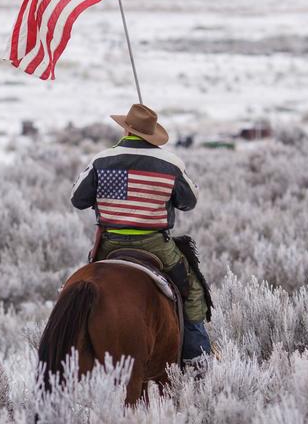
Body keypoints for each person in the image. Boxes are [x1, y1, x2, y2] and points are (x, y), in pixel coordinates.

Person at [70, 103, 213, 367]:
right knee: (192, 289)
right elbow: (189, 201)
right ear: (151, 133)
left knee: (82, 287)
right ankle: (197, 357)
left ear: (126, 129)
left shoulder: (101, 160)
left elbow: (77, 199)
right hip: (155, 244)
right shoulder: (170, 163)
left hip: (109, 244)